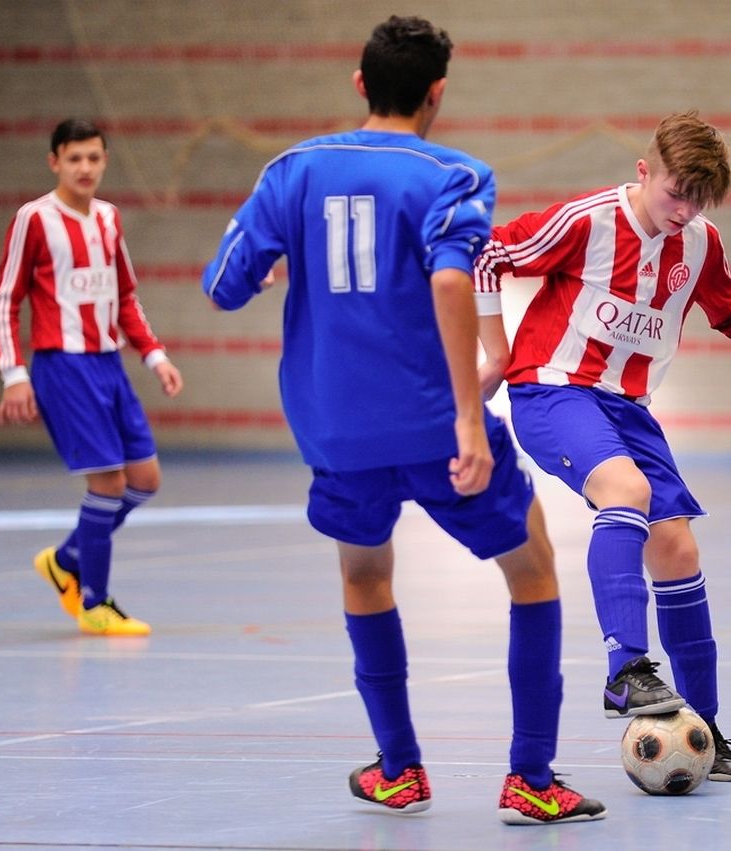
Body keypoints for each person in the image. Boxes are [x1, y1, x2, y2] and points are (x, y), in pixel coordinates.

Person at [200, 16, 604, 825]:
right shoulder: (455, 175)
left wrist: (285, 263)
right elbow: (454, 285)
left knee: (364, 576)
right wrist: (466, 418)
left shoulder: (293, 171)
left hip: (335, 431)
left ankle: (399, 768)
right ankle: (530, 775)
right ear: (437, 92)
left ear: (359, 84)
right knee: (532, 570)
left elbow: (223, 286)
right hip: (431, 423)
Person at [473, 110, 731, 782]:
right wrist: (496, 356)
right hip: (554, 390)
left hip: (628, 409)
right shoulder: (587, 222)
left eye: (698, 200)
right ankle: (625, 668)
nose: (684, 211)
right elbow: (488, 253)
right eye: (675, 192)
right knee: (627, 493)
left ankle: (704, 728)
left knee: (676, 547)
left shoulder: (700, 244)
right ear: (644, 172)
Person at [0, 118, 183, 637]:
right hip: (64, 368)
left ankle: (65, 558)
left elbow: (124, 295)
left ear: (105, 161)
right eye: (74, 158)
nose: (85, 168)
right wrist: (15, 374)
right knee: (108, 483)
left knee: (145, 481)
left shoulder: (109, 219)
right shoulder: (34, 219)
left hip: (109, 366)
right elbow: (6, 298)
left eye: (94, 158)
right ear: (54, 161)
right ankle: (95, 603)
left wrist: (155, 355)